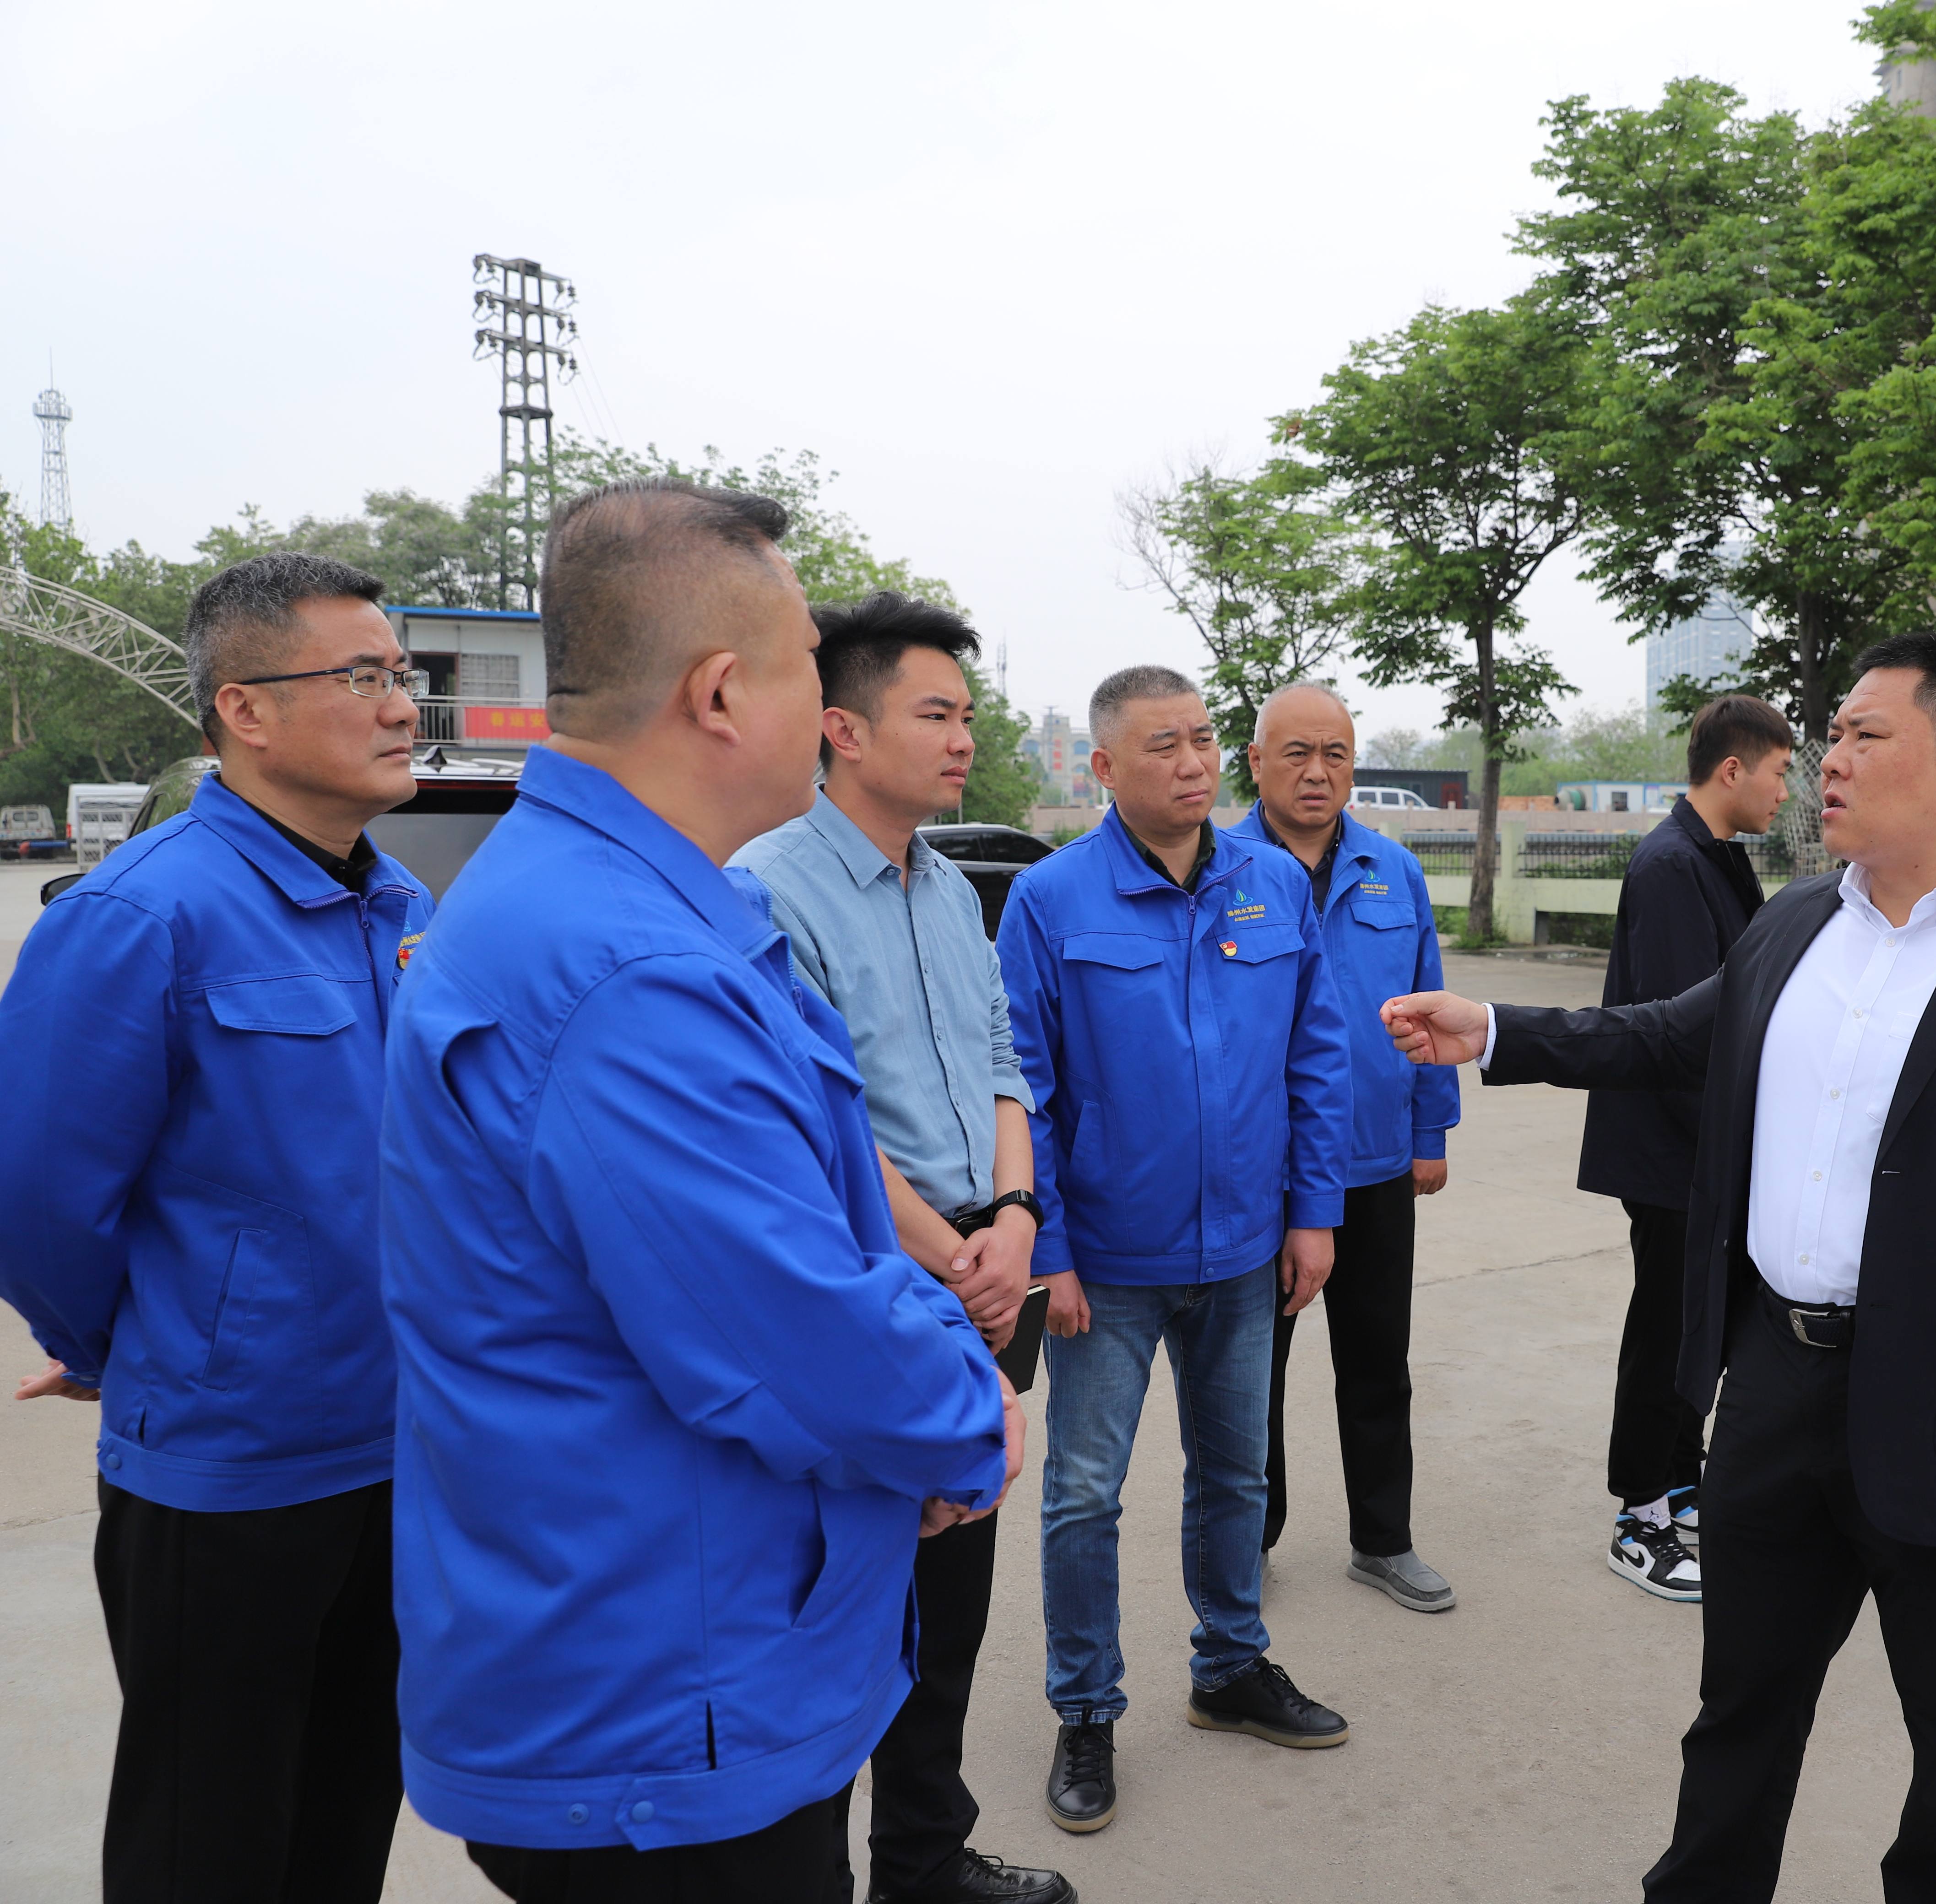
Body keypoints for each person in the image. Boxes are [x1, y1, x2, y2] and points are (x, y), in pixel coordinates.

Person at [1382, 630, 1936, 1904]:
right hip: (1772, 1390)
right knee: (1739, 1712)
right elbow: (1670, 1035)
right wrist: (1493, 1030)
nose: (1830, 761)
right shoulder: (1799, 921)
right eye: (1832, 736)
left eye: (1867, 735)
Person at [379, 481, 1019, 1904]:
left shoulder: (640, 903)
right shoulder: (629, 971)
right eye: (807, 669)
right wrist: (963, 1419)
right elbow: (794, 1337)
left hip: (665, 1638)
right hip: (668, 1700)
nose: (826, 705)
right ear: (724, 693)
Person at [0, 552, 431, 1903]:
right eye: (361, 676)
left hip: (403, 1455)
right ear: (244, 710)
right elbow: (38, 1193)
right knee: (209, 1841)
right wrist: (123, 1347)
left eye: (403, 673)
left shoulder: (402, 907)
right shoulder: (142, 915)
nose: (402, 704)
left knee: (346, 1820)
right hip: (227, 1473)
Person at [732, 590, 1070, 1904]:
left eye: (968, 714)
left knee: (956, 1591)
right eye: (936, 713)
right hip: (883, 1277)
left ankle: (924, 1861)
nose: (963, 739)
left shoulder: (946, 887)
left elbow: (1000, 1057)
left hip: (988, 1265)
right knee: (850, 1604)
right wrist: (954, 1253)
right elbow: (812, 1118)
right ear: (844, 729)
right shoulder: (768, 886)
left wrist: (1019, 1218)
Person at [999, 664, 1355, 1837]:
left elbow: (1315, 1053)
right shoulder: (1052, 900)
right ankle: (1085, 1708)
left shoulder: (1271, 882)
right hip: (1106, 1263)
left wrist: (1313, 1211)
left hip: (1247, 1249)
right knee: (1082, 1495)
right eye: (1164, 745)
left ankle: (1230, 1667)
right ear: (1105, 767)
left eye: (1204, 738)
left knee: (1238, 1474)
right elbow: (1026, 1089)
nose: (1195, 762)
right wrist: (1050, 1248)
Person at [1230, 680, 1461, 1612]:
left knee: (1376, 1363)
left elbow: (1429, 1009)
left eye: (1336, 754)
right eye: (1297, 753)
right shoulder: (1220, 869)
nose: (1318, 772)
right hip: (1262, 1172)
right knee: (1252, 1373)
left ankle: (1384, 1539)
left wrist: (1429, 1130)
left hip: (1375, 1164)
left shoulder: (1391, 870)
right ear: (1257, 762)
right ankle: (1248, 1541)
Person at [1583, 692, 1794, 1602]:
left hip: (1703, 1147)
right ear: (1733, 769)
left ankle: (1679, 1487)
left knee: (1693, 1328)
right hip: (1678, 1148)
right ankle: (1639, 1515)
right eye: (1779, 773)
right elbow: (1674, 1037)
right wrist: (1729, 1151)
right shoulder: (1673, 866)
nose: (1786, 792)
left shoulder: (1714, 857)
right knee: (1667, 1329)